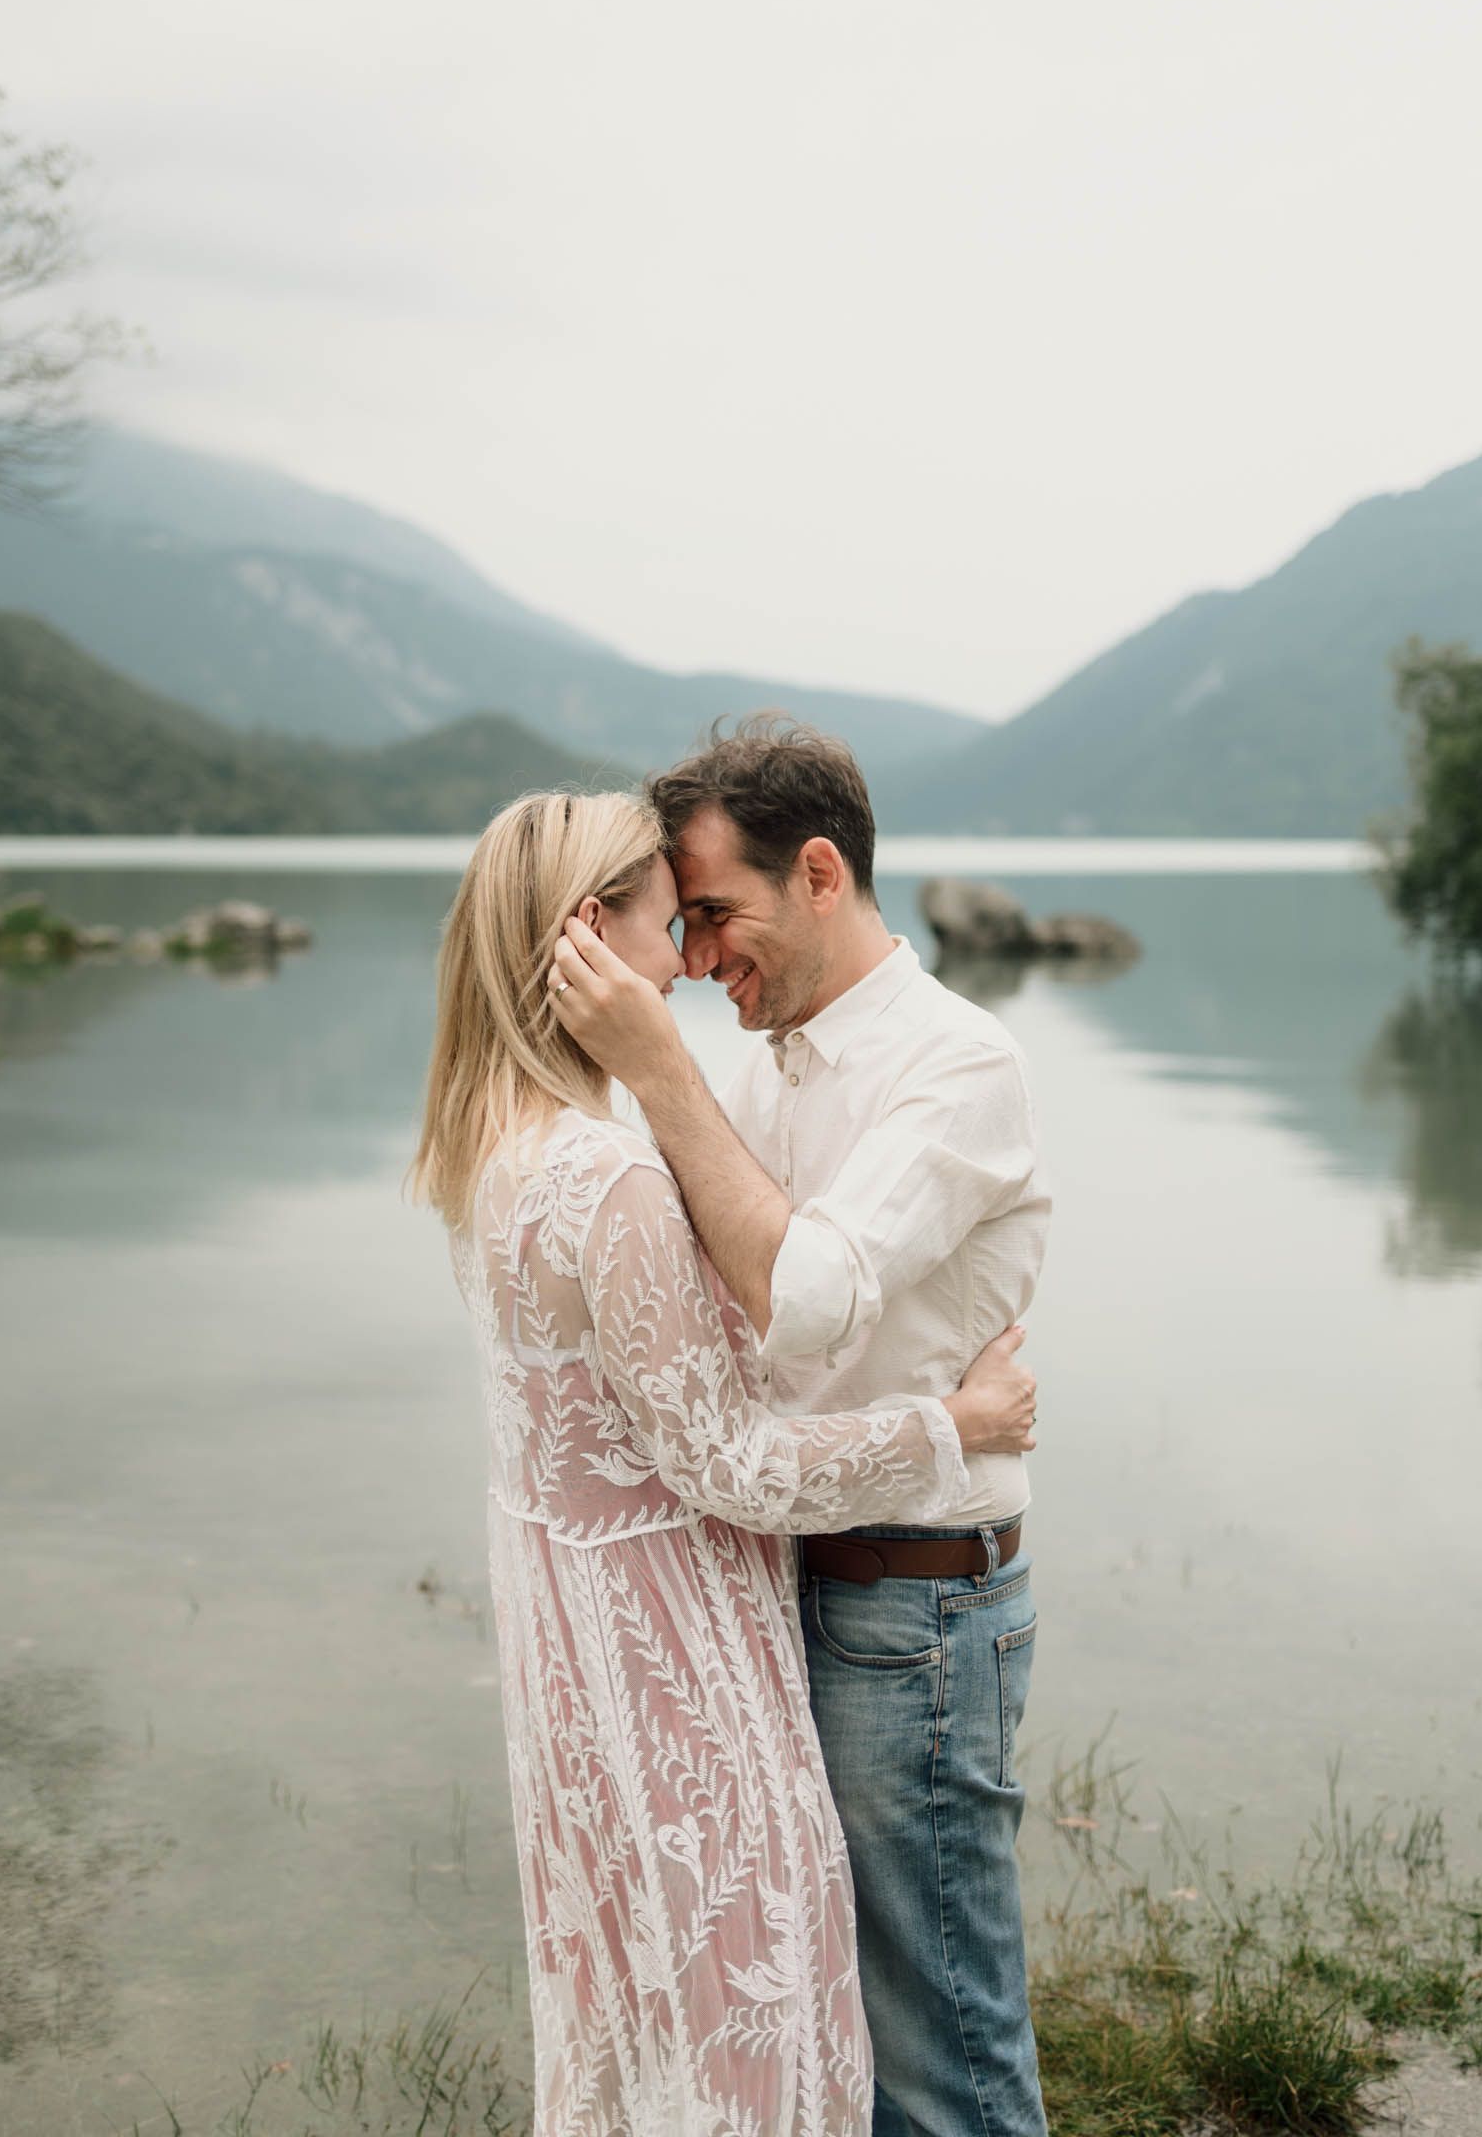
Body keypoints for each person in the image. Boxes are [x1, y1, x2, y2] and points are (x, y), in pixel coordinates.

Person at [414, 790, 1038, 2137]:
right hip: (689, 1662)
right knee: (771, 2045)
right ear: (590, 931)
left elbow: (788, 1315)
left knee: (927, 2045)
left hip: (822, 1621)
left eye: (710, 917)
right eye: (673, 918)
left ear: (818, 873)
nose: (694, 959)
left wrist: (653, 1072)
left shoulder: (498, 1154)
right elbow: (733, 1461)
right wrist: (956, 1426)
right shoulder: (637, 1141)